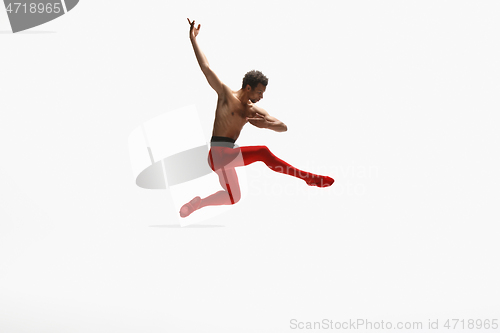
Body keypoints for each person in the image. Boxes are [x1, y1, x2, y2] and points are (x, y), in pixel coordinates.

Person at [180, 18, 334, 218]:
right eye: (260, 92)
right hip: (218, 154)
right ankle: (308, 178)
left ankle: (197, 203)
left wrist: (266, 125)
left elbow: (283, 126)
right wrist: (193, 39)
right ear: (248, 88)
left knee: (233, 197)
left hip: (228, 156)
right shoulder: (226, 94)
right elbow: (206, 68)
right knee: (263, 152)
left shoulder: (254, 110)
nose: (262, 96)